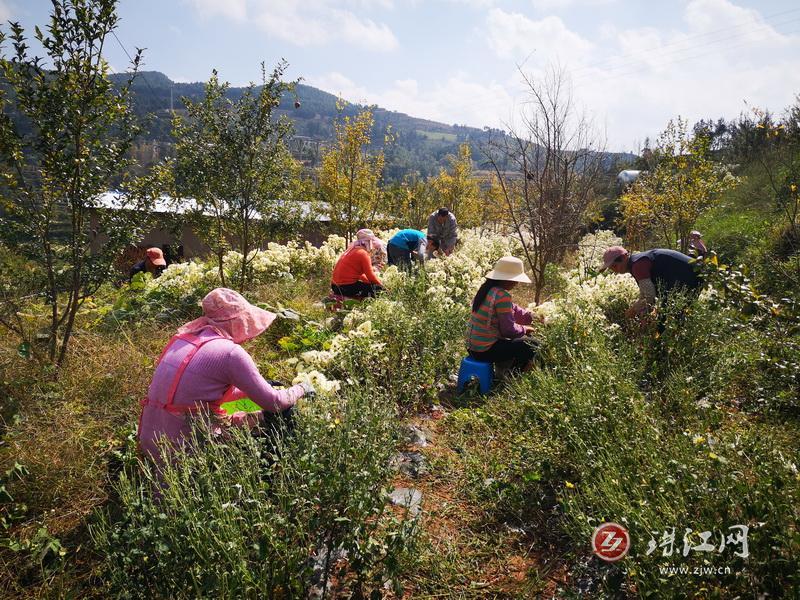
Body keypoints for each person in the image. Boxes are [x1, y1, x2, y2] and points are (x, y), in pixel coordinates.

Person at [137, 288, 314, 463]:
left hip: (152, 438)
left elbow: (195, 394)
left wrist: (251, 389)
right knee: (283, 413)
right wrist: (303, 387)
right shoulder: (229, 353)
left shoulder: (184, 340)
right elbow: (275, 402)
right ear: (237, 321)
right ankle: (278, 469)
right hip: (187, 445)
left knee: (246, 414)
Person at [466, 256, 538, 372]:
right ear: (507, 279)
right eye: (515, 279)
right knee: (532, 345)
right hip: (484, 350)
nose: (517, 283)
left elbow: (513, 309)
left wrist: (532, 316)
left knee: (517, 342)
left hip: (473, 348)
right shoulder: (502, 296)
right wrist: (525, 329)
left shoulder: (487, 290)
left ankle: (503, 374)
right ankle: (511, 379)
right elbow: (508, 330)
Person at [601, 246, 701, 318]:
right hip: (694, 273)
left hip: (690, 275)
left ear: (624, 257)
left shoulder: (638, 265)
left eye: (614, 266)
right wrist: (640, 308)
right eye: (611, 268)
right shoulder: (636, 262)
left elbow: (650, 295)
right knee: (671, 315)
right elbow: (645, 293)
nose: (614, 270)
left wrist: (633, 310)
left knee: (668, 319)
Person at [331, 231, 385, 298]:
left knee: (367, 285)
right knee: (377, 289)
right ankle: (362, 304)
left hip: (335, 286)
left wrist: (368, 282)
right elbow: (370, 276)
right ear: (369, 242)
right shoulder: (363, 253)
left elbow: (360, 275)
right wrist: (382, 286)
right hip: (346, 288)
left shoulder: (351, 250)